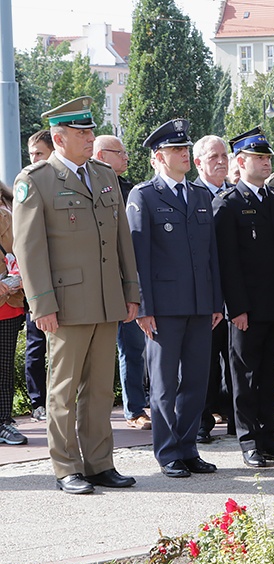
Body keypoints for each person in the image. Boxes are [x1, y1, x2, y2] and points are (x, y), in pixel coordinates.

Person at [13, 96, 140, 494]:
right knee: (63, 390)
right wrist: (42, 305)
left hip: (105, 301)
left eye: (90, 131)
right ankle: (66, 466)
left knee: (101, 389)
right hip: (65, 306)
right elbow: (30, 250)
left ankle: (99, 462)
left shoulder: (103, 175)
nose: (89, 138)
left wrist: (130, 291)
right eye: (81, 133)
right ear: (59, 137)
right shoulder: (35, 180)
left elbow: (122, 241)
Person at [126, 120, 223, 478]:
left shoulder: (199, 196)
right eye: (176, 150)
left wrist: (216, 301)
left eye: (186, 149)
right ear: (158, 158)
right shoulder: (144, 196)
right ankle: (167, 452)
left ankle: (187, 447)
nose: (184, 154)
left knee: (196, 381)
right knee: (165, 384)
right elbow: (139, 257)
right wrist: (144, 308)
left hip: (199, 305)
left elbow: (211, 254)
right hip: (163, 308)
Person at [214, 127, 274, 468]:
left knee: (270, 376)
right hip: (246, 309)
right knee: (245, 376)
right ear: (241, 161)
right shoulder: (229, 204)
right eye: (259, 158)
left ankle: (269, 437)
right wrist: (236, 308)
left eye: (267, 158)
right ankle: (248, 439)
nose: (266, 163)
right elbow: (228, 264)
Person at [94, 135, 150, 430]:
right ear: (102, 155)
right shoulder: (86, 187)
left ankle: (135, 409)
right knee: (96, 355)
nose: (126, 158)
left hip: (126, 283)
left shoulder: (131, 191)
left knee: (132, 347)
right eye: (120, 153)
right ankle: (95, 414)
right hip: (96, 286)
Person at [192, 135, 235, 443]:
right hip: (204, 296)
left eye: (224, 156)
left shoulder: (234, 195)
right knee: (204, 362)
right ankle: (202, 420)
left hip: (235, 295)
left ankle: (236, 416)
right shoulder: (192, 196)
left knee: (235, 359)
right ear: (198, 163)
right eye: (213, 157)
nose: (221, 161)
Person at [23, 130, 53, 423]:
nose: (33, 160)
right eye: (31, 154)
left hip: (65, 283)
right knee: (36, 346)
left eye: (38, 154)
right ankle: (38, 402)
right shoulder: (29, 184)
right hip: (39, 286)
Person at [0, 182, 26, 445]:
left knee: (3, 369)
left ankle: (3, 422)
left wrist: (13, 281)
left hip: (7, 304)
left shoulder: (8, 216)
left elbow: (21, 255)